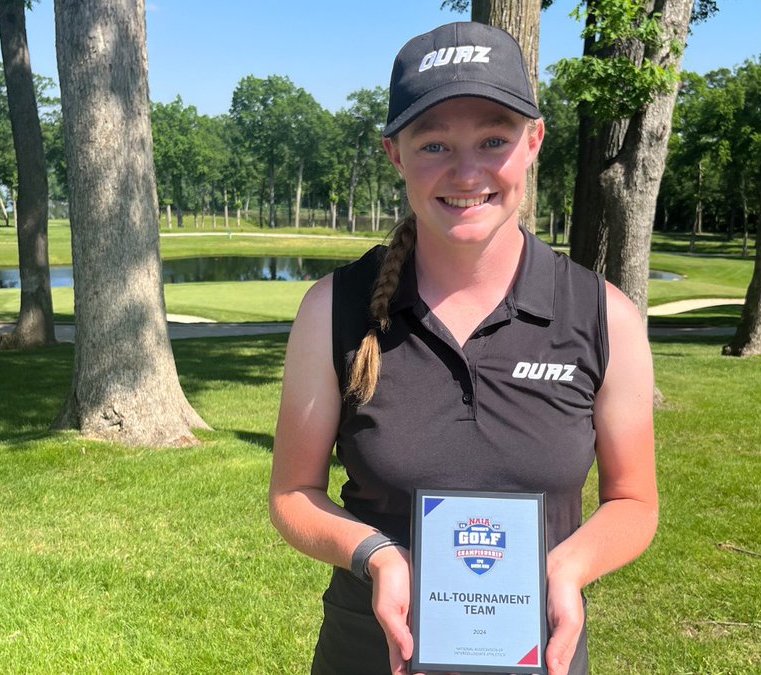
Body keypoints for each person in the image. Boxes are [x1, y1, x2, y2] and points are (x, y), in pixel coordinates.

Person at [269, 21, 658, 675]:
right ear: (395, 154)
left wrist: (568, 565)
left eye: (493, 140)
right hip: (370, 654)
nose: (467, 171)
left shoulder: (604, 316)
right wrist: (377, 555)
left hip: (543, 653)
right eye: (435, 144)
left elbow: (635, 501)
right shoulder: (332, 309)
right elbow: (293, 492)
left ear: (533, 142)